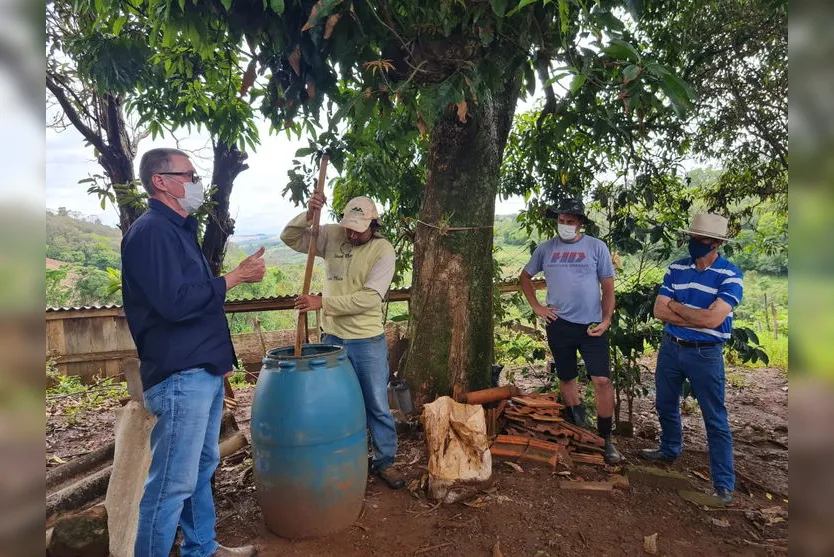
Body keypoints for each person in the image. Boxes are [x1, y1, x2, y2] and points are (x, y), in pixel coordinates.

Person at [122, 148, 264, 557]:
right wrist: (234, 278)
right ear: (160, 182)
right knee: (170, 485)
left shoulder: (178, 229)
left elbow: (196, 306)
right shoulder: (152, 232)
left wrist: (217, 365)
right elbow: (174, 303)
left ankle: (202, 547)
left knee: (200, 469)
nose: (197, 183)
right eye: (189, 175)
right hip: (180, 375)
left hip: (199, 370)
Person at [281, 193, 405, 490]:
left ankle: (385, 460)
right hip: (332, 337)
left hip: (365, 339)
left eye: (358, 229)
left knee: (375, 402)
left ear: (373, 225)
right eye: (348, 227)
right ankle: (345, 458)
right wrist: (309, 215)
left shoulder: (383, 251)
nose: (351, 234)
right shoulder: (333, 235)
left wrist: (321, 302)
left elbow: (369, 298)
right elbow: (290, 238)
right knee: (336, 404)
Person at [639, 213, 743, 505]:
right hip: (671, 347)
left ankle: (723, 484)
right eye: (693, 237)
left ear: (716, 243)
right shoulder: (676, 267)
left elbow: (713, 319)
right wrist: (693, 315)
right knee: (665, 403)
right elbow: (659, 311)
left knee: (714, 417)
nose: (694, 243)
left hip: (706, 353)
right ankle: (669, 449)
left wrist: (677, 306)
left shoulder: (730, 275)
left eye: (702, 239)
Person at [519, 198, 621, 464]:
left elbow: (608, 287)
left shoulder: (596, 247)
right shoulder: (546, 249)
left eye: (570, 222)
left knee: (601, 380)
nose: (564, 226)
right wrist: (537, 307)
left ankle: (606, 438)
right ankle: (580, 427)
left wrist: (607, 319)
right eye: (561, 221)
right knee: (567, 377)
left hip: (592, 325)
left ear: (580, 224)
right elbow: (525, 277)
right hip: (559, 323)